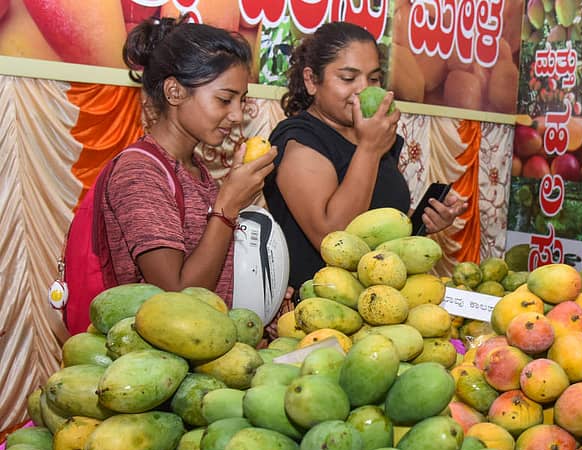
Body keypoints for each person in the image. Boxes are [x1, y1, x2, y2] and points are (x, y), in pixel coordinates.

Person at [263, 22, 467, 291]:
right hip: (323, 307)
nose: (363, 89)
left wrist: (423, 222)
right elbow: (333, 240)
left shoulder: (374, 136)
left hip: (380, 301)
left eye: (373, 79)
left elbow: (377, 224)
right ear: (312, 80)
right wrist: (369, 149)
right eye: (348, 78)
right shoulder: (300, 141)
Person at [100, 16, 276, 306]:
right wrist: (228, 204)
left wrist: (262, 290)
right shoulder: (139, 172)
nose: (236, 115)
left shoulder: (197, 171)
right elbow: (178, 300)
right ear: (175, 91)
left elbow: (213, 266)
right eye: (224, 99)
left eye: (241, 101)